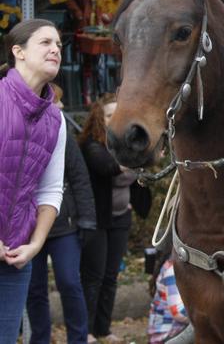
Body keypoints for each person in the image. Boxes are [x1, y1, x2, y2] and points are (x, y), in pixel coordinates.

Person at [0, 19, 66, 343]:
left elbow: (50, 189)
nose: (55, 49)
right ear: (18, 51)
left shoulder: (56, 120)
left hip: (15, 258)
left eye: (59, 45)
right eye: (45, 43)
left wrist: (36, 244)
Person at [25, 84, 96, 344]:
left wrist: (87, 219)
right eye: (58, 101)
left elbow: (79, 177)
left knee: (69, 282)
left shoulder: (61, 131)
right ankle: (39, 339)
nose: (63, 106)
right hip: (28, 228)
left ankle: (78, 338)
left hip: (63, 225)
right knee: (34, 289)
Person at [79, 94, 138, 343]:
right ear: (98, 119)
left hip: (121, 217)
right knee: (94, 277)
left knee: (111, 276)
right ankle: (87, 330)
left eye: (118, 114)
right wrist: (134, 160)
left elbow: (134, 175)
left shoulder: (123, 145)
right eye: (108, 115)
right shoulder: (92, 146)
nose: (114, 119)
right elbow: (108, 168)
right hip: (98, 220)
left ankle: (104, 328)